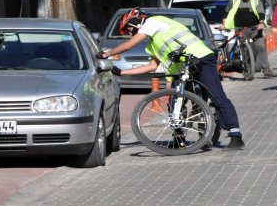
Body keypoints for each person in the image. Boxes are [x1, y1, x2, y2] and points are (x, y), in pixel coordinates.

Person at [97, 8, 244, 149]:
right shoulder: (152, 44)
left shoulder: (154, 22)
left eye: (129, 29)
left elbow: (129, 45)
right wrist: (122, 72)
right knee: (174, 102)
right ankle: (178, 139)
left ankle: (235, 135)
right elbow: (151, 66)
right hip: (183, 69)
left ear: (136, 22)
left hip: (202, 59)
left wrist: (106, 54)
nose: (130, 33)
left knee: (217, 96)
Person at [223, 0, 277, 78]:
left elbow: (261, 13)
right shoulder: (234, 2)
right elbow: (226, 14)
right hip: (240, 29)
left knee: (261, 47)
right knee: (243, 48)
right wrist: (224, 25)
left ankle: (266, 69)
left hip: (255, 28)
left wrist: (261, 23)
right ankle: (246, 67)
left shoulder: (256, 1)